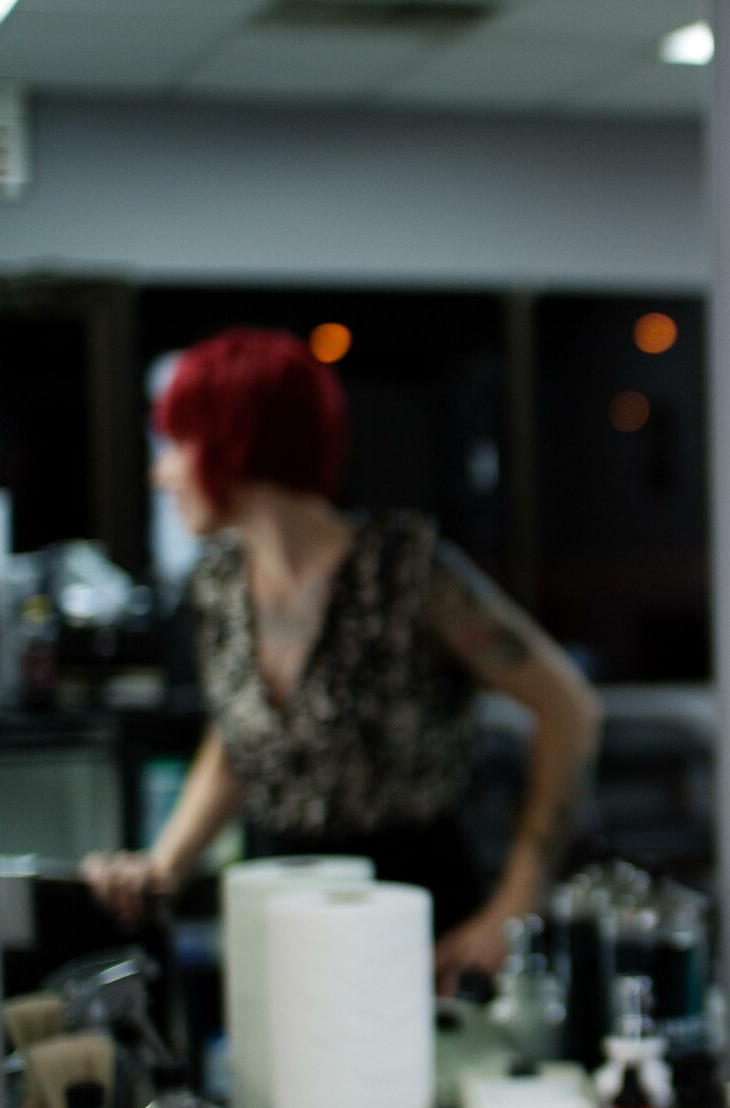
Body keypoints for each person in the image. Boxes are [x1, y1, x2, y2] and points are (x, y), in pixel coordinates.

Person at [82, 328, 602, 995]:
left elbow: (569, 708)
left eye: (178, 444)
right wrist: (162, 866)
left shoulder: (406, 570)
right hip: (275, 909)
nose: (162, 473)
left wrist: (515, 904)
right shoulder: (216, 583)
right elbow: (238, 743)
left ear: (234, 441)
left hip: (415, 917)